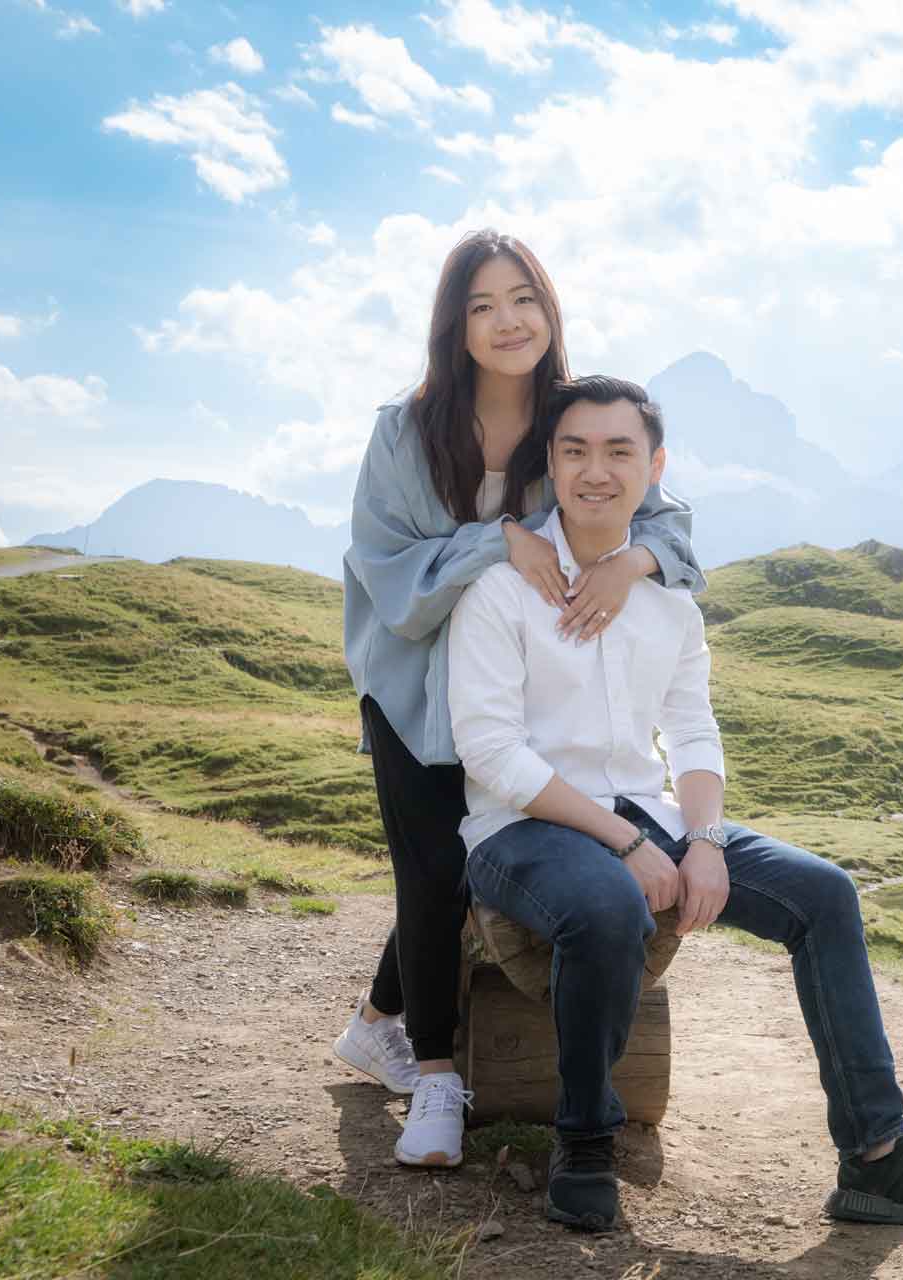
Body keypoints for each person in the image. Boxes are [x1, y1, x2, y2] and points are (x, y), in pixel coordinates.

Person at [445, 375, 903, 1233]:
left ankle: (876, 1159)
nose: (597, 471)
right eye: (575, 451)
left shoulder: (669, 604)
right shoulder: (498, 589)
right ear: (549, 466)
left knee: (824, 894)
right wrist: (627, 849)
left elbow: (693, 735)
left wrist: (701, 840)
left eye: (619, 451)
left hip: (649, 812)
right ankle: (585, 1139)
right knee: (603, 907)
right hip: (521, 828)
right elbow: (491, 753)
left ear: (654, 465)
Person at [330, 231, 705, 1169]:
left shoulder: (567, 419)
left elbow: (666, 513)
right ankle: (435, 1077)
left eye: (524, 299)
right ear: (454, 326)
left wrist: (634, 561)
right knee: (428, 869)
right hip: (416, 683)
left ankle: (375, 1020)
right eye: (484, 305)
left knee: (474, 861)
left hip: (522, 681)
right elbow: (387, 572)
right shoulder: (405, 431)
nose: (508, 322)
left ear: (551, 311)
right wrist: (502, 540)